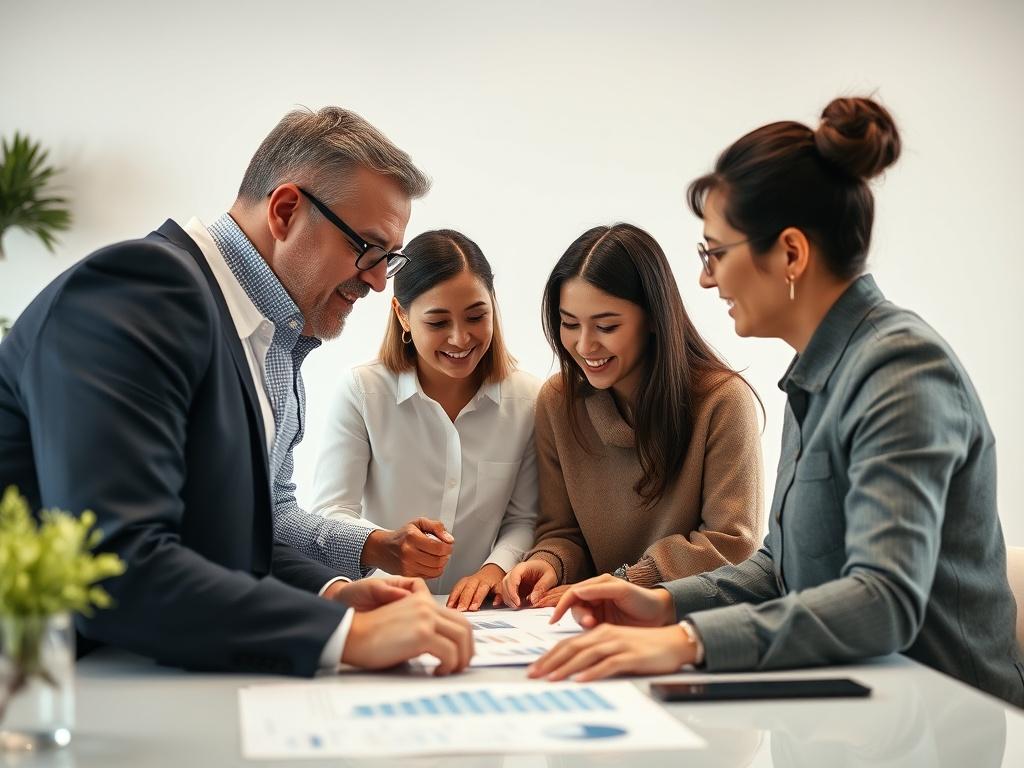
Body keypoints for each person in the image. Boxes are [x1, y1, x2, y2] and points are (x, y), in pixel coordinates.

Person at [528, 97, 1024, 707]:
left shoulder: (900, 370)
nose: (706, 280)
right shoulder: (817, 373)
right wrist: (659, 603)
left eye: (715, 253)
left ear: (790, 253)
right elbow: (780, 571)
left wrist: (685, 642)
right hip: (851, 707)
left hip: (946, 722)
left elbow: (883, 600)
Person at [0, 107, 473, 676]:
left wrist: (331, 594)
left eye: (387, 260)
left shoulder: (264, 333)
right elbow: (116, 563)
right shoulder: (142, 289)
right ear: (286, 210)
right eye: (368, 250)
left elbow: (227, 534)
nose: (377, 280)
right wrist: (344, 633)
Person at [500, 224, 763, 609]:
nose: (585, 345)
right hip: (593, 619)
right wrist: (549, 562)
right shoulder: (559, 401)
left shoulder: (722, 400)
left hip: (688, 617)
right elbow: (562, 531)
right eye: (569, 323)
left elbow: (733, 543)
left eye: (607, 326)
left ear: (654, 318)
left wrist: (630, 580)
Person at [307, 229, 540, 610]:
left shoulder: (528, 400)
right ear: (403, 315)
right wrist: (387, 555)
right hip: (386, 604)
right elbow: (331, 512)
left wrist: (493, 570)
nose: (460, 338)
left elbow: (524, 518)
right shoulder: (363, 391)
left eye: (476, 316)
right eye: (437, 322)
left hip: (485, 615)